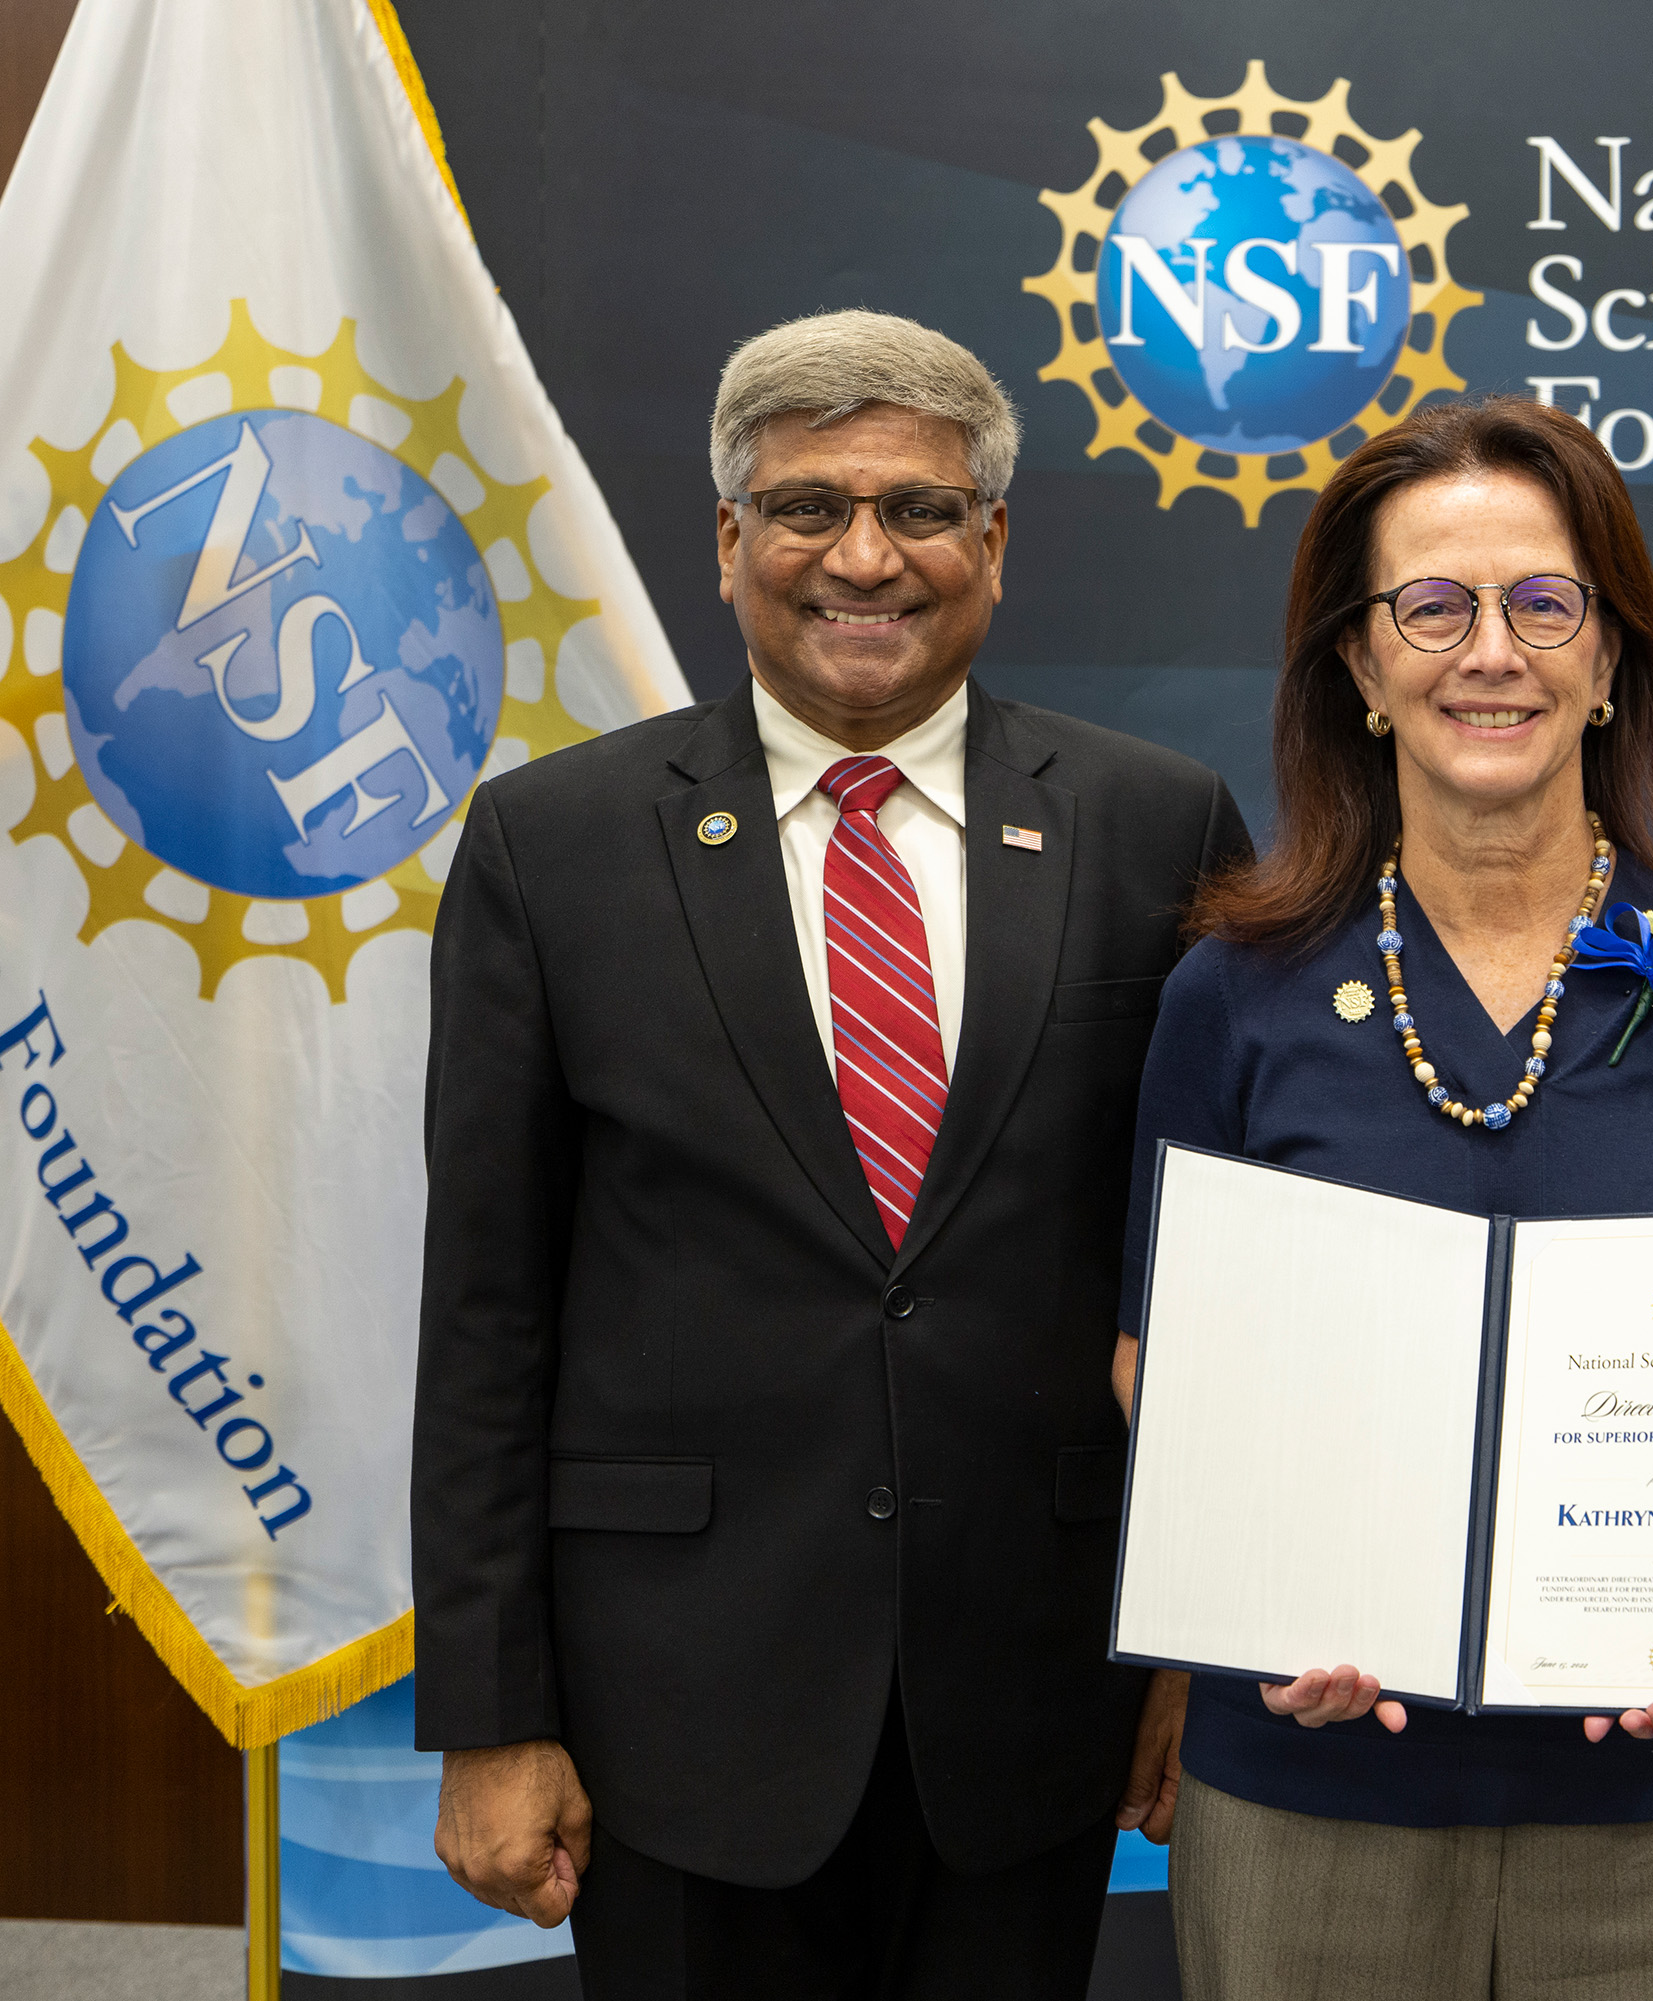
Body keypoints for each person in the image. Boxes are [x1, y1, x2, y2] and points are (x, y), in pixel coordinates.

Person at [413, 309, 1249, 1999]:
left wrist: (1197, 1653)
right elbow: (486, 1313)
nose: (864, 555)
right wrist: (494, 1718)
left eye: (922, 509)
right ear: (728, 540)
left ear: (994, 542)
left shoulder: (1157, 827)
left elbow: (1211, 1286)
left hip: (1032, 1699)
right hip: (674, 1710)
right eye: (806, 506)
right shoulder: (549, 847)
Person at [1111, 397, 1653, 2000]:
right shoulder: (1232, 996)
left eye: (1543, 602)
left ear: (1608, 658)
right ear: (1363, 671)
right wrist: (1256, 1592)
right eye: (1430, 608)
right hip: (1313, 1784)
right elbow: (1149, 1355)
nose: (1489, 653)